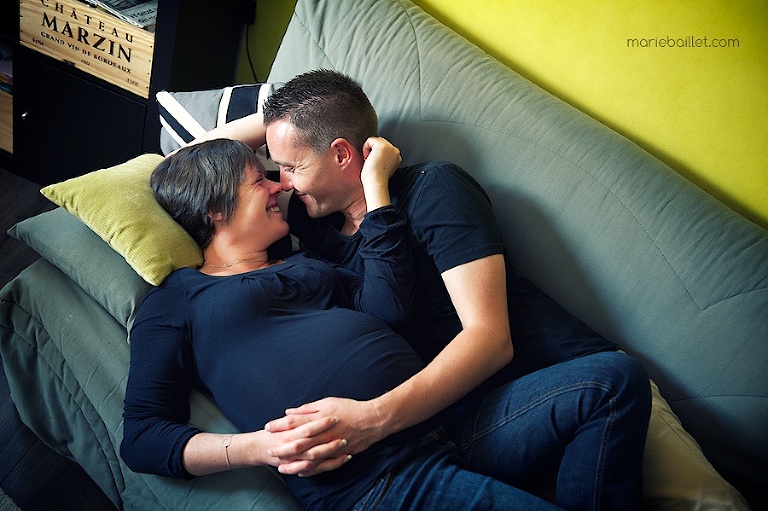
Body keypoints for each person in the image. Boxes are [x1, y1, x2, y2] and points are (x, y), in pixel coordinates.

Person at [189, 70, 652, 509]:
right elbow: (187, 164)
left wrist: (371, 420)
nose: (281, 183)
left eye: (291, 166)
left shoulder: (432, 190)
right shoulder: (312, 221)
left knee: (617, 380)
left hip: (540, 382)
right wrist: (275, 113)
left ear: (344, 155)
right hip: (449, 419)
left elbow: (490, 341)